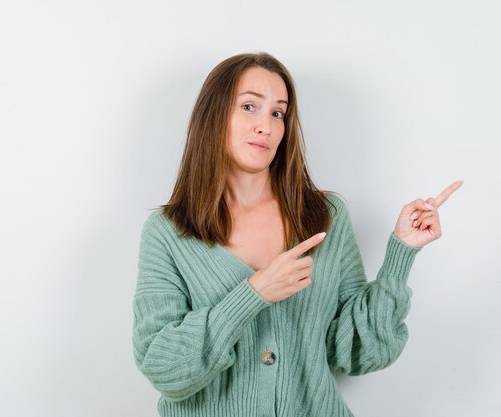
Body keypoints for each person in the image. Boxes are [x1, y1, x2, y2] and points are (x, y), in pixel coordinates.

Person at [132, 52, 463, 417]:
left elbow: (356, 351)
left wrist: (401, 252)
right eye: (249, 107)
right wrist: (253, 293)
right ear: (214, 115)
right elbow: (162, 367)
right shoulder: (168, 232)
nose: (267, 126)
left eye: (278, 113)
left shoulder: (325, 216)